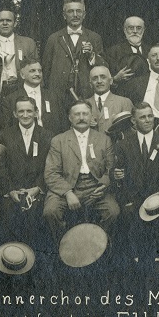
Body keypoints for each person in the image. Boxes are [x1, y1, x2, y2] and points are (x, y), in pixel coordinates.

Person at [43, 100, 119, 244]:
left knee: (112, 211)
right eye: (77, 114)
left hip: (95, 186)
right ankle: (65, 246)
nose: (82, 117)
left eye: (85, 114)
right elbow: (51, 173)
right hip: (68, 186)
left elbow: (111, 169)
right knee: (50, 211)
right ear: (70, 118)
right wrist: (67, 193)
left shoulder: (104, 140)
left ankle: (97, 245)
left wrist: (103, 186)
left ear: (91, 117)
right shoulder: (58, 141)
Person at [111, 103, 159, 269]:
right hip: (134, 196)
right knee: (129, 214)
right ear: (133, 121)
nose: (147, 120)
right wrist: (116, 175)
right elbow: (118, 173)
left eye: (150, 116)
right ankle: (135, 260)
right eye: (142, 117)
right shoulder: (123, 145)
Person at [0, 96, 54, 247]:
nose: (25, 115)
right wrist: (11, 190)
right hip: (12, 192)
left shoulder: (47, 135)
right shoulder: (4, 135)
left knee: (36, 217)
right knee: (7, 215)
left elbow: (50, 166)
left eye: (29, 111)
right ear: (14, 114)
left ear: (36, 112)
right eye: (21, 111)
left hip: (37, 191)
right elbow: (0, 167)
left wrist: (37, 188)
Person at [41, 0, 103, 99]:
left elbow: (102, 67)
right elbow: (45, 69)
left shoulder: (94, 37)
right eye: (70, 11)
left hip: (86, 93)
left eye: (78, 11)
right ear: (64, 15)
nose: (75, 15)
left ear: (84, 15)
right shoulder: (53, 38)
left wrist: (92, 55)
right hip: (58, 94)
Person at [0, 7, 39, 97]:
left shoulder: (28, 43)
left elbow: (36, 70)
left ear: (15, 23)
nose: (5, 23)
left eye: (9, 20)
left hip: (21, 89)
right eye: (1, 20)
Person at [1, 59, 66, 136]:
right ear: (22, 75)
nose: (37, 74)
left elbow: (63, 125)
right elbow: (6, 130)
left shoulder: (54, 97)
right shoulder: (10, 100)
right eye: (32, 71)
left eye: (40, 71)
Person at [86, 65, 133, 135]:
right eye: (95, 78)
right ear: (90, 84)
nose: (99, 81)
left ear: (111, 81)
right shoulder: (83, 105)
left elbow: (131, 133)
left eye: (103, 77)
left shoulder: (124, 102)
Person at [105, 16, 150, 87]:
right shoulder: (113, 52)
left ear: (144, 30)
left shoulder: (150, 50)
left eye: (139, 28)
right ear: (124, 30)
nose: (135, 31)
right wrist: (115, 79)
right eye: (131, 28)